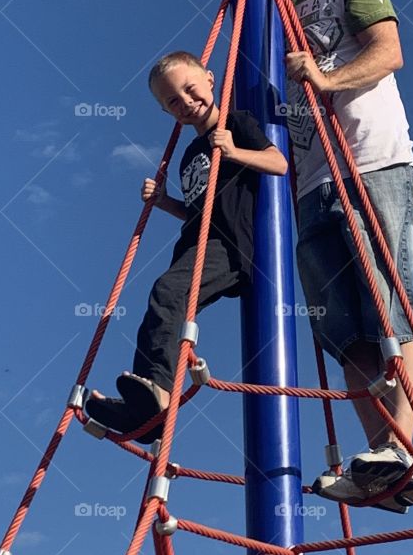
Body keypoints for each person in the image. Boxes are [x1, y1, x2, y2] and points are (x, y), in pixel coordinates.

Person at [243, 0, 413, 512]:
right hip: (309, 183)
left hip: (370, 161)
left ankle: (403, 447)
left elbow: (388, 52)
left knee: (388, 305)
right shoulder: (264, 15)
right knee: (341, 330)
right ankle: (380, 462)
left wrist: (325, 79)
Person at [85, 51, 287, 441]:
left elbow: (277, 163)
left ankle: (160, 391)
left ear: (210, 80)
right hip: (197, 243)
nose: (186, 102)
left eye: (190, 89)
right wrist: (164, 202)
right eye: (173, 101)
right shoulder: (190, 154)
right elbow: (200, 212)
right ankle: (145, 406)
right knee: (162, 302)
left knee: (167, 292)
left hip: (229, 247)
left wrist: (233, 151)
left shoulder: (236, 123)